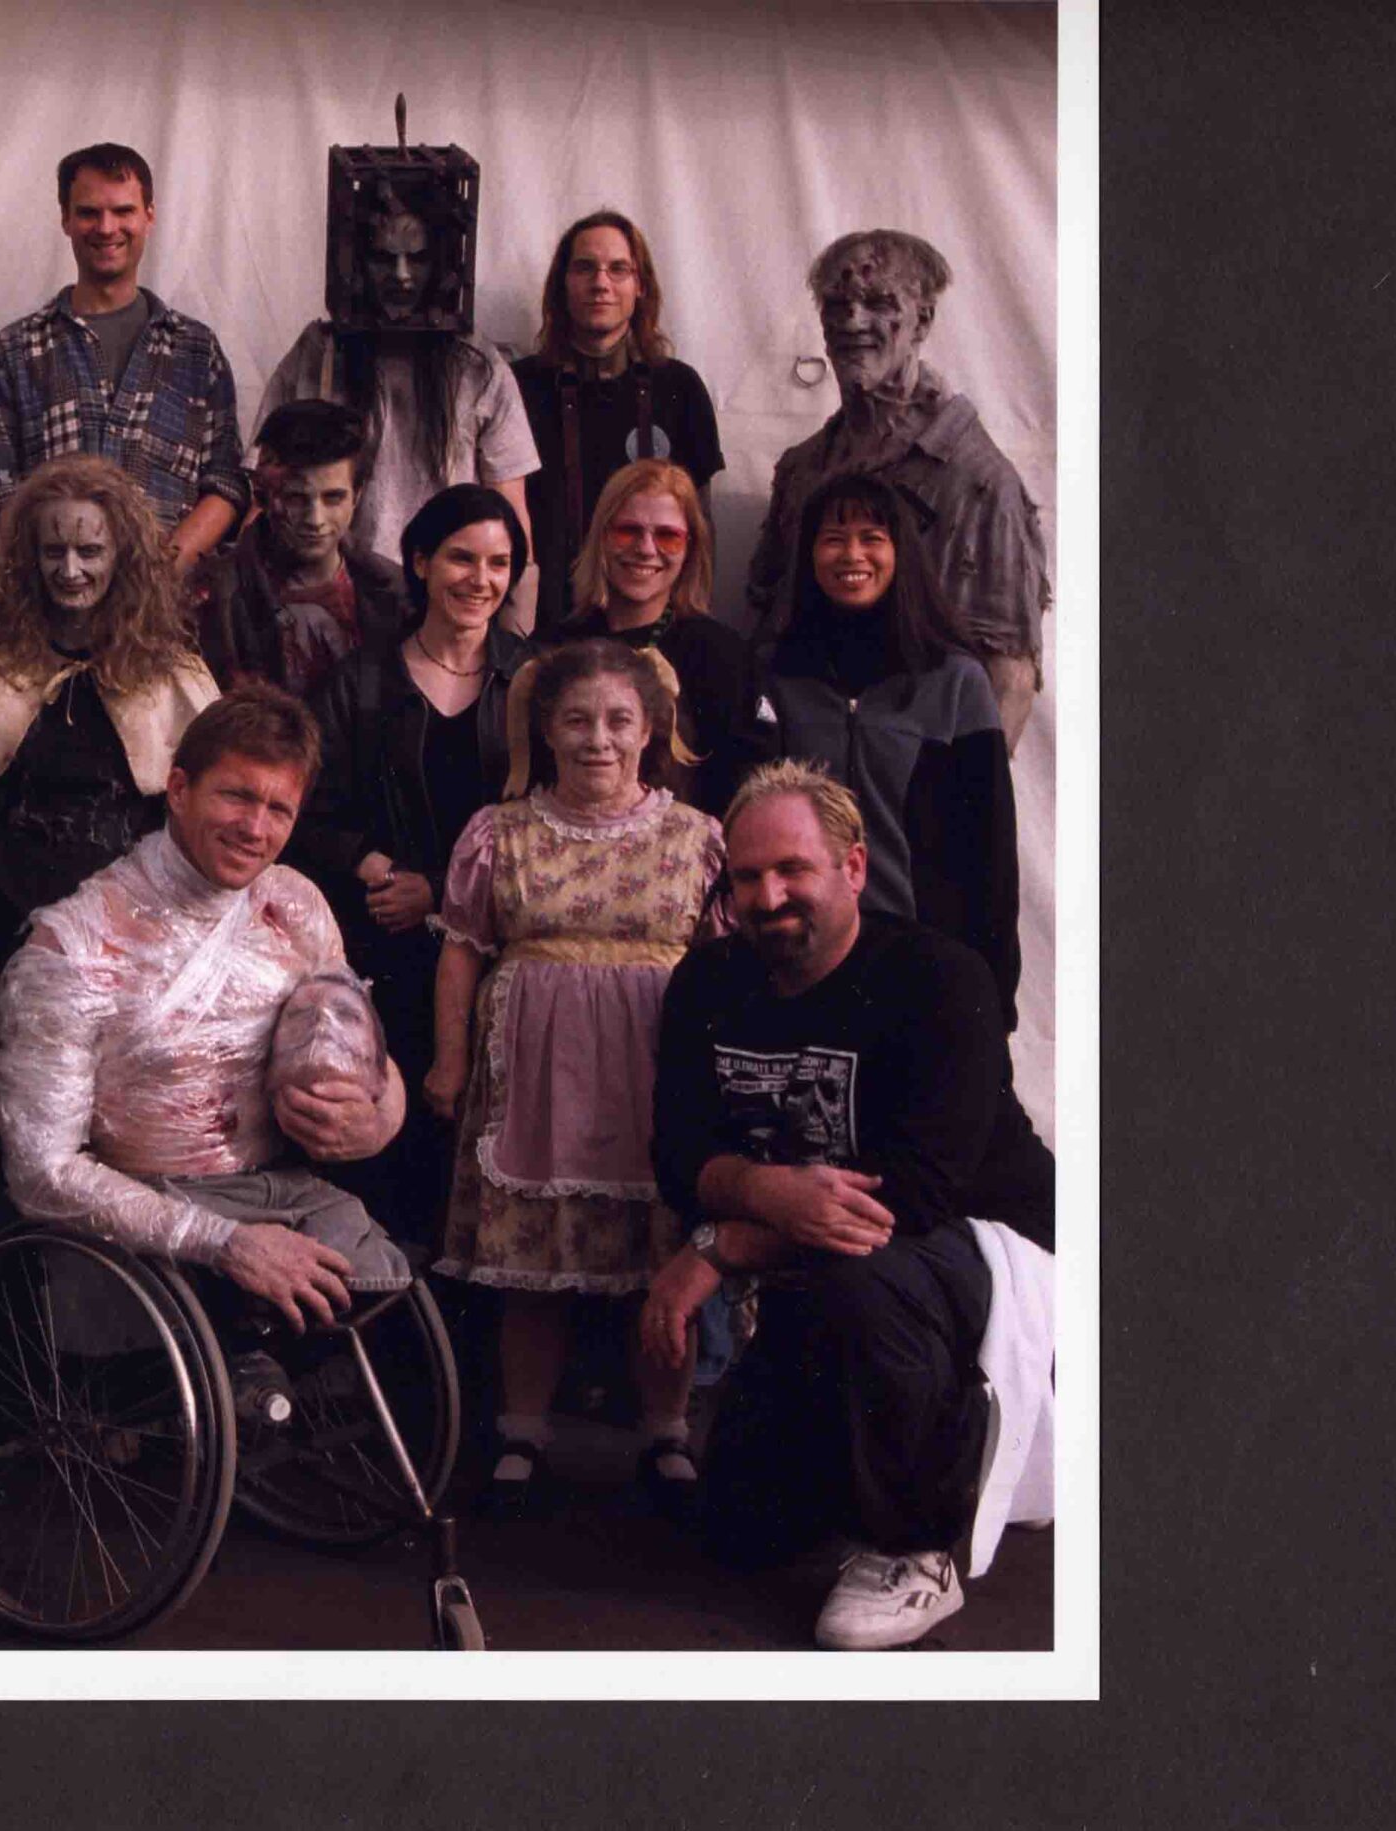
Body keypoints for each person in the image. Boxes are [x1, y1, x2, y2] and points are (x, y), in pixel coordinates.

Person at [643, 760, 1052, 1648]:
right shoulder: (709, 981)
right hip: (823, 1253)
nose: (768, 896)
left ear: (854, 868)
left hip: (993, 1252)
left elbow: (917, 1189)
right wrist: (759, 1190)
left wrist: (724, 1245)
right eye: (747, 877)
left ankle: (916, 1547)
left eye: (793, 869)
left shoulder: (940, 976)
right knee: (738, 1531)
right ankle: (878, 1461)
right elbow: (676, 1155)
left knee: (859, 1267)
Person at [0, 687, 412, 1328]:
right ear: (179, 788)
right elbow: (40, 1172)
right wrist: (223, 1242)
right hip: (142, 1234)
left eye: (279, 809)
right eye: (237, 796)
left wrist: (378, 1117)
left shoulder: (294, 907)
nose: (255, 829)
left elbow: (365, 1058)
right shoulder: (75, 946)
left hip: (279, 1198)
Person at [422, 641, 728, 1509]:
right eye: (577, 720)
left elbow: (727, 970)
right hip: (535, 1083)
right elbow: (461, 952)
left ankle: (665, 1430)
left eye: (619, 720)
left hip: (655, 1078)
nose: (598, 739)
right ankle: (523, 1427)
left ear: (649, 730)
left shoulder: (697, 839)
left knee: (661, 1256)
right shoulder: (499, 833)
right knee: (535, 1260)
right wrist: (448, 1059)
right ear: (546, 731)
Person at [294, 484, 532, 1242]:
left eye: (499, 563)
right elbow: (304, 809)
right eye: (462, 558)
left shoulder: (531, 680)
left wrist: (437, 890)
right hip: (386, 952)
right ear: (422, 562)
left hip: (501, 956)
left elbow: (548, 822)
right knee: (392, 1158)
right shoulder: (360, 681)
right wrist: (364, 861)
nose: (480, 579)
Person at [0, 455, 219, 1015]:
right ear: (31, 558)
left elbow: (194, 834)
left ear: (121, 556)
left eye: (90, 551)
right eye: (54, 551)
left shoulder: (170, 677)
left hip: (141, 947)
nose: (70, 570)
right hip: (18, 942)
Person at [745, 230, 1050, 750]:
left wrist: (969, 789)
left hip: (916, 774)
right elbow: (767, 630)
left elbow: (1010, 676)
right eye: (837, 304)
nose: (853, 321)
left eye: (879, 303)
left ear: (922, 321)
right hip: (804, 769)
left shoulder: (977, 482)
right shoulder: (803, 470)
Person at [761, 470, 1019, 1028]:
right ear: (809, 557)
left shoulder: (956, 681)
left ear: (900, 553)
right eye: (833, 538)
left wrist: (995, 996)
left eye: (871, 538)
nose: (852, 555)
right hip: (807, 962)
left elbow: (992, 850)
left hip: (926, 966)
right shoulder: (776, 678)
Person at [258, 180, 539, 611]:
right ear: (357, 260)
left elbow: (509, 514)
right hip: (334, 599)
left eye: (418, 258)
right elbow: (265, 484)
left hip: (447, 601)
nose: (402, 276)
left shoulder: (477, 365)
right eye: (384, 259)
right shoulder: (318, 354)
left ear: (441, 261)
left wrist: (513, 631)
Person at [0, 143, 246, 572]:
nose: (106, 227)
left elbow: (226, 484)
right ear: (65, 219)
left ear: (149, 216)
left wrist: (159, 578)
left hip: (168, 603)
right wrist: (60, 570)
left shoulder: (196, 351)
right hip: (47, 599)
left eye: (123, 211)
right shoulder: (16, 351)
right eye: (88, 213)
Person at [514, 211, 724, 636]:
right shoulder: (519, 386)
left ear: (640, 285)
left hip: (654, 629)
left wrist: (690, 631)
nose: (601, 283)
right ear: (562, 284)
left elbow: (700, 527)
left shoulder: (680, 387)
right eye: (585, 267)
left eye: (618, 269)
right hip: (543, 627)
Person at [552, 457, 764, 816]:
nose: (646, 549)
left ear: (691, 548)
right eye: (627, 531)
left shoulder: (721, 655)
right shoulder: (558, 646)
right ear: (601, 537)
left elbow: (744, 786)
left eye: (668, 536)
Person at [190, 399, 410, 699]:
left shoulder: (396, 593)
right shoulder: (215, 595)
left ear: (357, 496)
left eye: (333, 498)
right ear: (264, 497)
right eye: (296, 498)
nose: (315, 520)